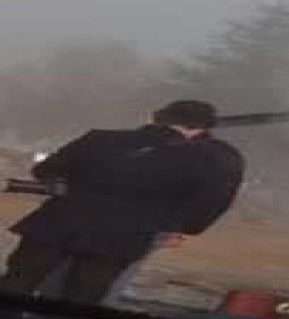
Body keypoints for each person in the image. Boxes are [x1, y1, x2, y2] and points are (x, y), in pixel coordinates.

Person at [0, 100, 244, 305]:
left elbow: (45, 170)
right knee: (82, 300)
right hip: (124, 236)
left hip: (58, 223)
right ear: (202, 129)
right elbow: (209, 202)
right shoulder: (209, 160)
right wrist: (182, 227)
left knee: (16, 283)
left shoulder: (100, 138)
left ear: (158, 118)